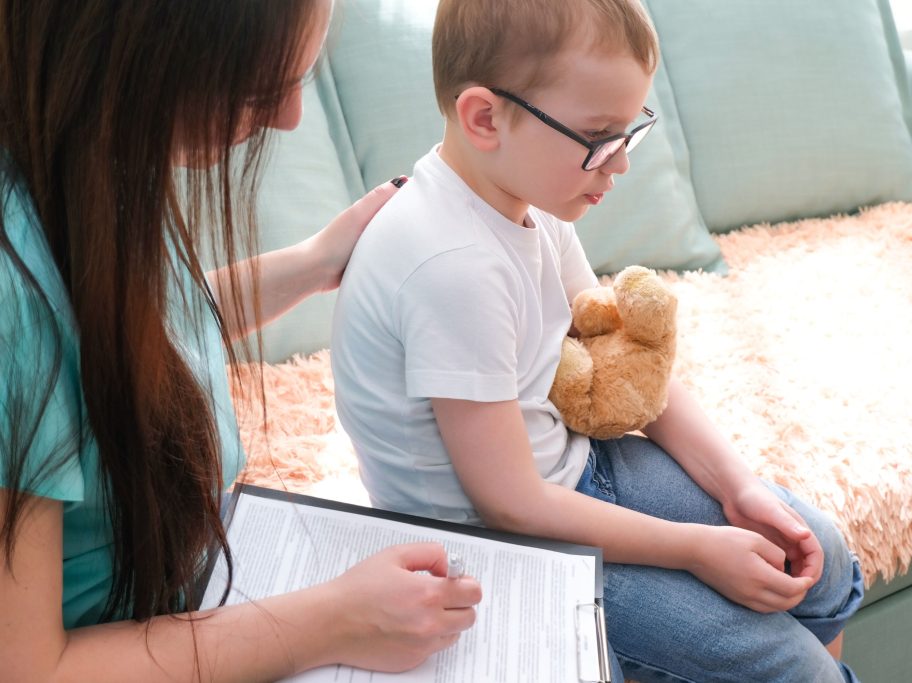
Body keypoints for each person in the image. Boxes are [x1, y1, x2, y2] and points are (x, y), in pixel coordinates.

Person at [331, 0, 864, 681]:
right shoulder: (451, 267)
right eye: (597, 138)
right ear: (485, 118)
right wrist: (697, 548)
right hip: (502, 546)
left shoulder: (524, 199)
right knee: (796, 669)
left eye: (628, 133)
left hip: (577, 473)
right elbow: (511, 504)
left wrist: (738, 487)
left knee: (817, 552)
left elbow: (621, 363)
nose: (619, 166)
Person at [0, 1, 482, 680]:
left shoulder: (91, 160)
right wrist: (336, 619)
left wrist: (315, 261)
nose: (290, 118)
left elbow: (132, 333)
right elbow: (28, 668)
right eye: (258, 91)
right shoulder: (11, 298)